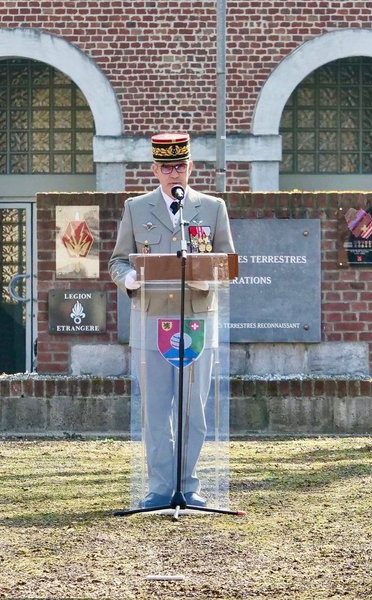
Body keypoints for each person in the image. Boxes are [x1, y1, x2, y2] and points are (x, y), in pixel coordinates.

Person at [109, 132, 235, 509]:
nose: (173, 173)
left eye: (180, 166)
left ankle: (188, 486)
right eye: (166, 167)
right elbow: (118, 260)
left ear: (190, 167)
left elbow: (227, 261)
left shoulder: (212, 208)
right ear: (155, 170)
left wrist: (208, 276)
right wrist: (130, 279)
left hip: (196, 319)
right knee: (156, 410)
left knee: (193, 410)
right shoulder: (136, 208)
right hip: (153, 320)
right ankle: (160, 488)